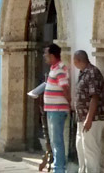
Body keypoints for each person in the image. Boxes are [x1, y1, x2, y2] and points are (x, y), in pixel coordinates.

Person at [72, 50, 104, 173]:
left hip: (93, 119)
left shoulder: (92, 73)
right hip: (82, 118)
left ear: (78, 60)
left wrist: (89, 118)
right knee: (81, 148)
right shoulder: (82, 73)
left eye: (74, 60)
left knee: (91, 150)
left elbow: (95, 96)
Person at [43, 43, 71, 173]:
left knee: (57, 140)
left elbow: (65, 88)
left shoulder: (59, 69)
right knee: (55, 140)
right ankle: (58, 166)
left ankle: (59, 168)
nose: (44, 56)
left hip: (57, 110)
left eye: (46, 54)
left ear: (53, 55)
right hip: (52, 109)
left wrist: (69, 103)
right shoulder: (54, 68)